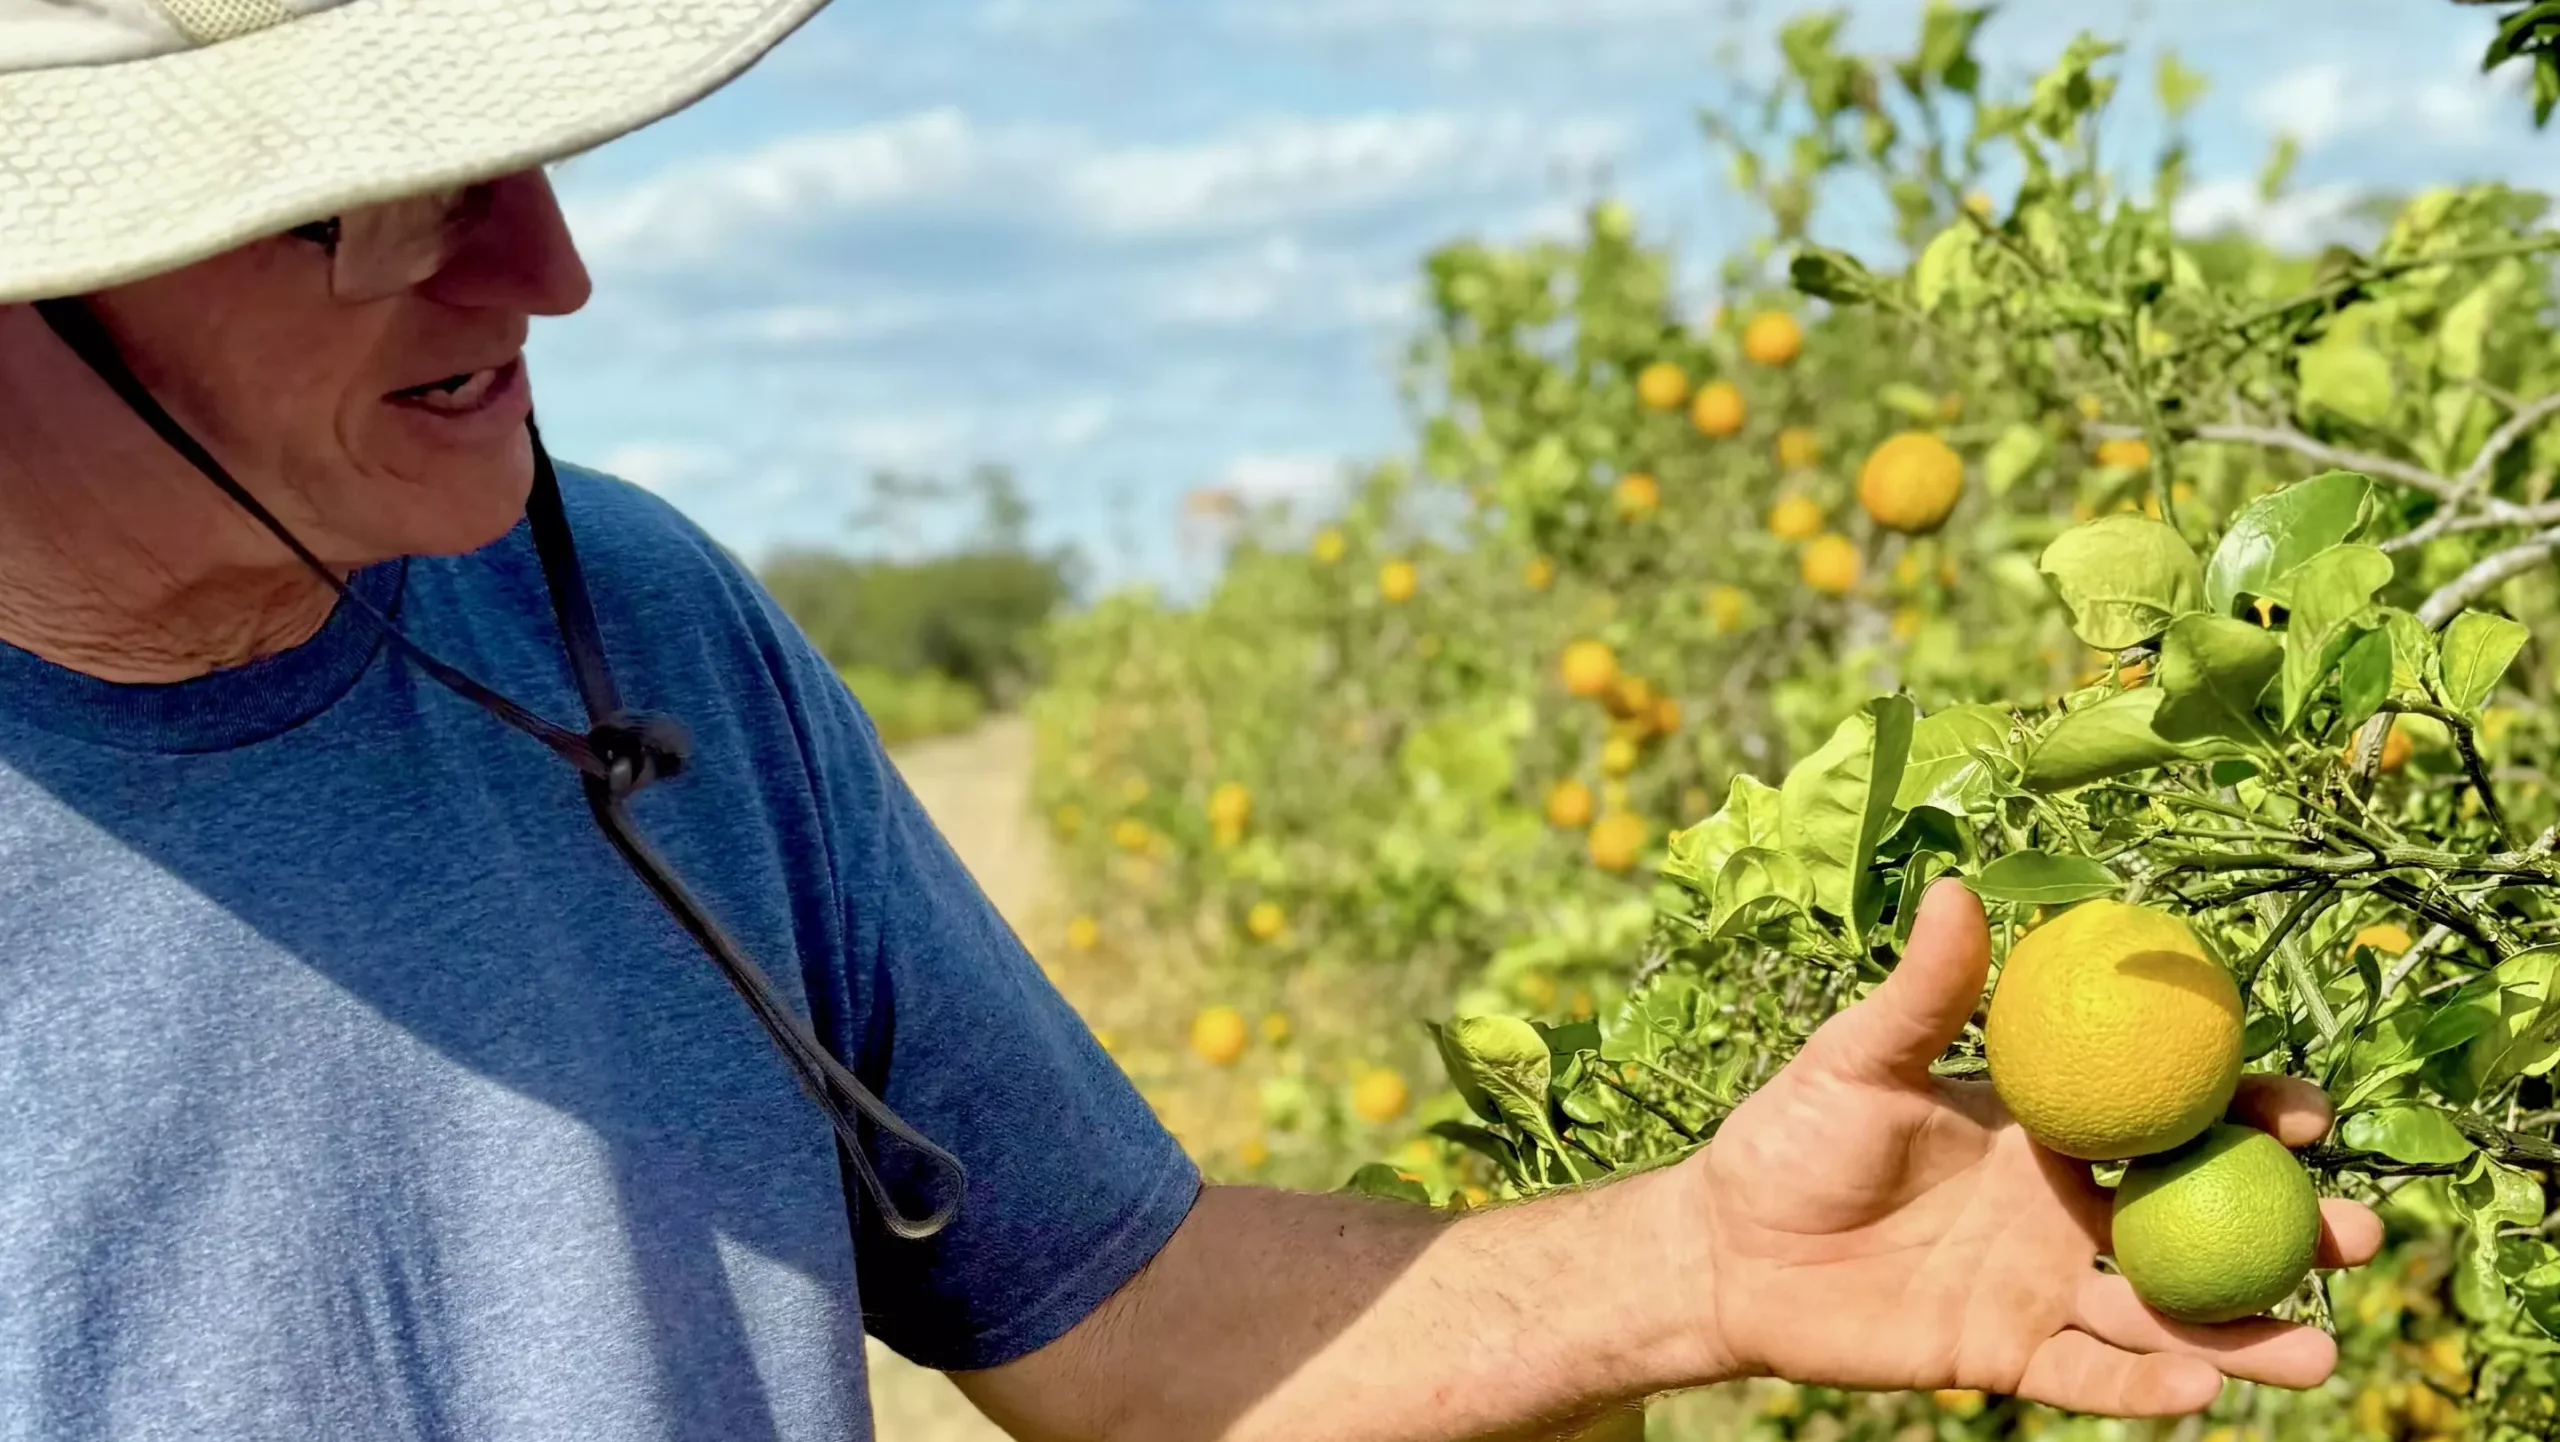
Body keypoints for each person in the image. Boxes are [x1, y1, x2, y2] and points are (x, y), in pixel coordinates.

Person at [0, 3, 2381, 1439]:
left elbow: (1122, 1326)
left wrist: (1701, 1258)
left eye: (512, 160)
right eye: (375, 206)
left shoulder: (621, 621)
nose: (551, 268)